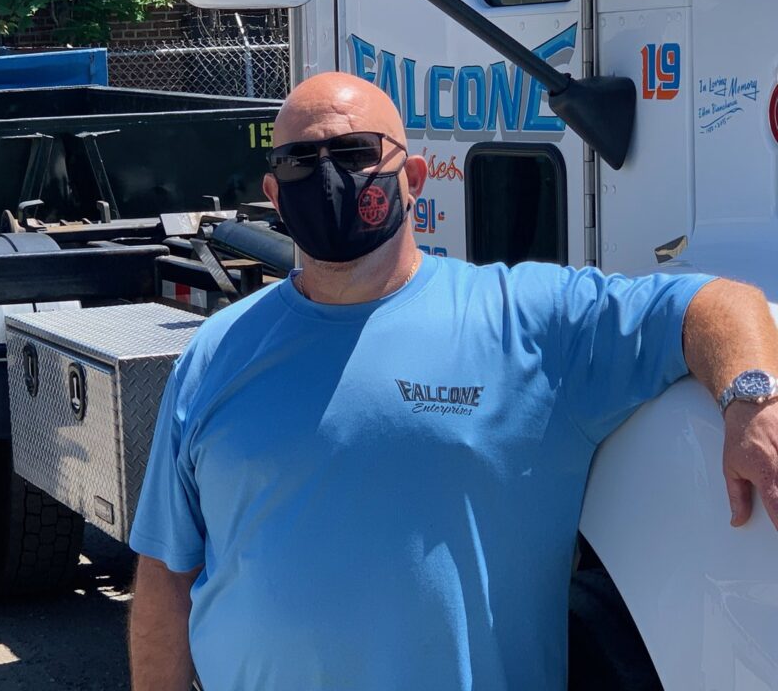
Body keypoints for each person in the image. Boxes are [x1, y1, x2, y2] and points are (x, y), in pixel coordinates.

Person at [127, 72, 778, 690]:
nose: (326, 176)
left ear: (413, 178)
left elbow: (712, 305)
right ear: (274, 195)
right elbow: (165, 573)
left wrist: (752, 398)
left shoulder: (529, 323)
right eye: (300, 161)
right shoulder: (216, 354)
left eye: (354, 152)